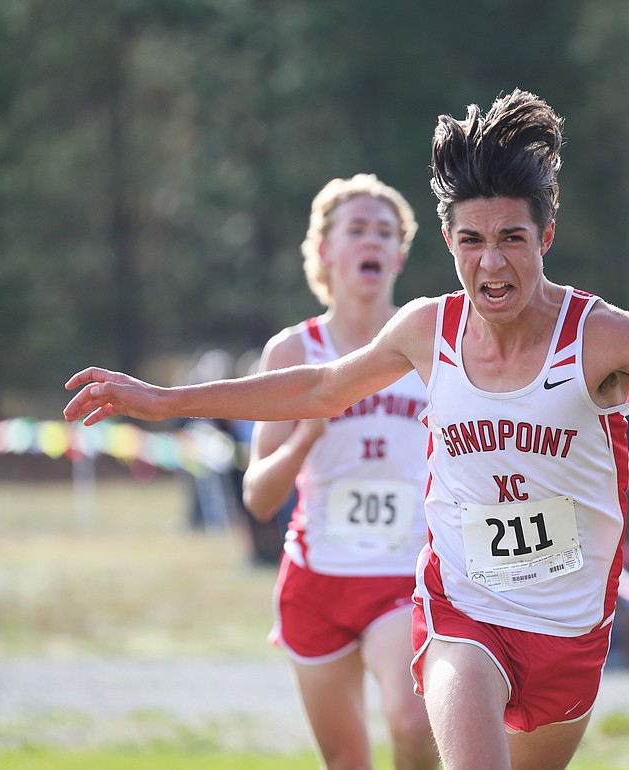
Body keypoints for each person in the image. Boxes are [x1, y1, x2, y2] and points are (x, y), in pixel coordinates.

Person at [62, 88, 629, 770]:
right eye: (472, 241)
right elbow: (320, 386)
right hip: (462, 608)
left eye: (512, 237)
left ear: (547, 234)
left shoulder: (603, 335)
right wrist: (163, 400)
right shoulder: (427, 329)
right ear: (448, 240)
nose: (492, 263)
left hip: (570, 627)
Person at [238, 174, 437, 770]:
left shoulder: (430, 343)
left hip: (404, 574)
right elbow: (258, 497)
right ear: (325, 250)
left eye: (384, 231)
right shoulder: (293, 353)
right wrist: (306, 436)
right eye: (356, 230)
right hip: (317, 579)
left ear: (399, 254)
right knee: (347, 763)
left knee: (412, 720)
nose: (370, 241)